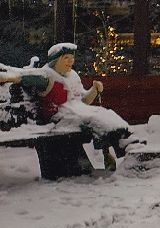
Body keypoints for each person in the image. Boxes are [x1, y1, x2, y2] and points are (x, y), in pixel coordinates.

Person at [0, 42, 131, 170]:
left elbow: (84, 100)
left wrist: (94, 90)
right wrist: (6, 77)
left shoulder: (72, 75)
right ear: (55, 60)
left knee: (106, 115)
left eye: (72, 58)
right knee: (96, 120)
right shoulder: (46, 75)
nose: (71, 61)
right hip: (58, 118)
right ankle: (116, 153)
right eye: (66, 58)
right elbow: (22, 77)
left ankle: (126, 150)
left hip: (77, 113)